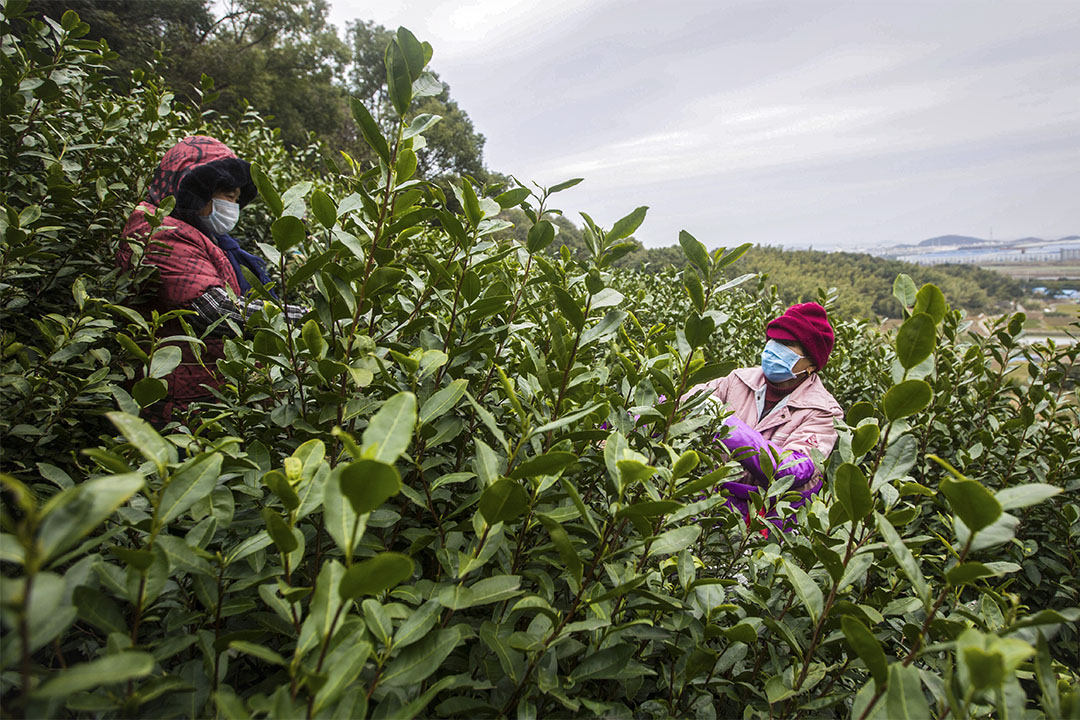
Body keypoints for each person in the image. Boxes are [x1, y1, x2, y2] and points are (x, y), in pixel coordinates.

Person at [117, 136, 304, 425]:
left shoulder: (205, 236)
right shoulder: (159, 231)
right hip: (175, 401)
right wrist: (309, 320)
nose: (233, 205)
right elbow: (213, 309)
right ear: (196, 189)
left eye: (236, 197)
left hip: (205, 389)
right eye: (226, 195)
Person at [690, 302, 843, 533]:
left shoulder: (824, 412)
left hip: (763, 530)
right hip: (710, 509)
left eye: (787, 344)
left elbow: (794, 469)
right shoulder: (738, 380)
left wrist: (724, 423)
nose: (774, 348)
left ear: (811, 363)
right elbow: (682, 404)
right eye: (774, 340)